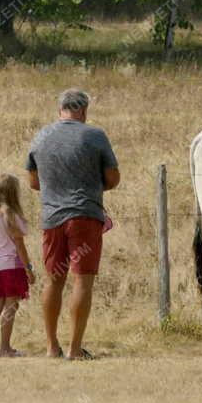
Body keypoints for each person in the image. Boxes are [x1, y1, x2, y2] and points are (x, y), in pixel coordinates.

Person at [26, 88, 119, 360]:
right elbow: (113, 178)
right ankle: (75, 348)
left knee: (53, 280)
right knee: (82, 280)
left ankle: (51, 346)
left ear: (60, 110)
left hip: (51, 217)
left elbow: (33, 182)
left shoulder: (41, 136)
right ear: (84, 110)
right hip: (85, 216)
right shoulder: (94, 136)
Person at [0, 173, 36, 358]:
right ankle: (5, 347)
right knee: (11, 306)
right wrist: (29, 269)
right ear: (14, 194)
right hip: (12, 266)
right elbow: (19, 245)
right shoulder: (12, 216)